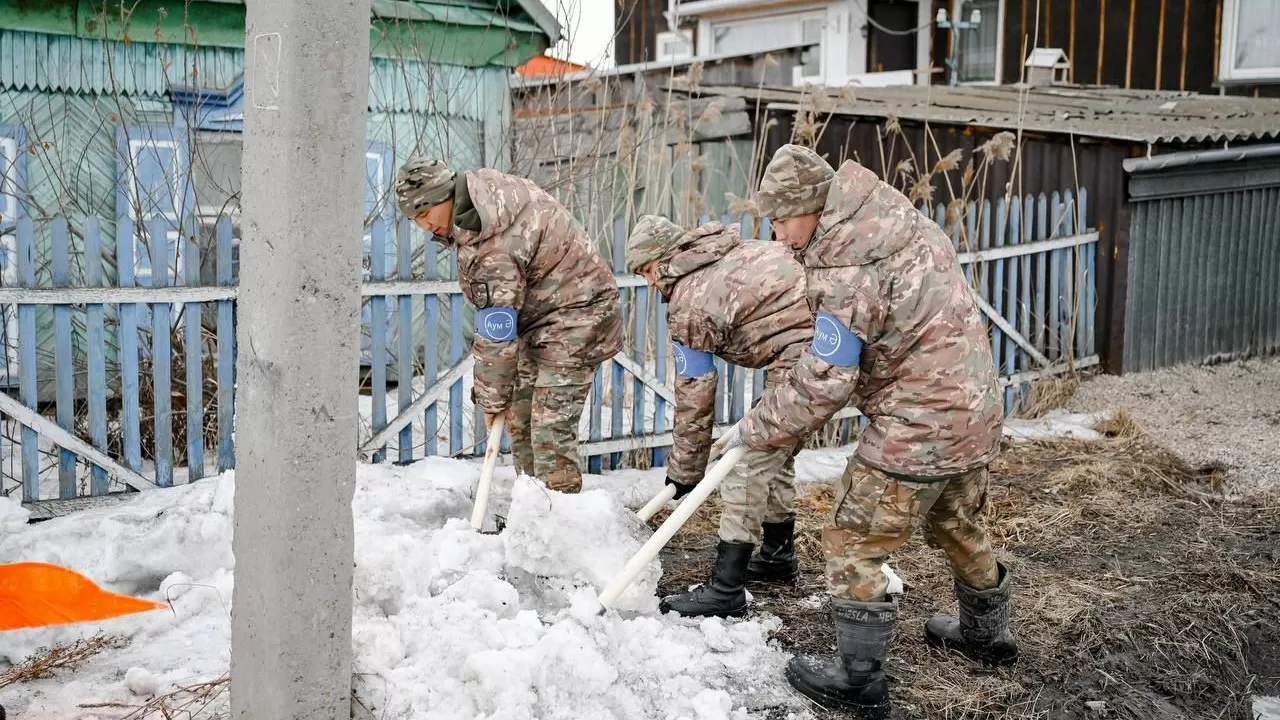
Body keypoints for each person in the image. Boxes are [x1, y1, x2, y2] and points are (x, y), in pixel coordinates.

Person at [709, 145, 1017, 719]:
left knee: (853, 543)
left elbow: (827, 380)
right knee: (955, 521)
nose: (777, 236)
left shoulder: (846, 266)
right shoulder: (903, 224)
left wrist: (756, 428)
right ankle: (987, 635)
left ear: (809, 207)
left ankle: (858, 680)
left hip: (916, 422)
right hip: (973, 409)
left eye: (780, 219)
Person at [393, 157, 623, 494]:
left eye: (426, 215)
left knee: (548, 433)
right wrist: (502, 398)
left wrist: (491, 400)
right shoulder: (479, 201)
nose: (425, 227)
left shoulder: (491, 239)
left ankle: (558, 525)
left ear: (444, 196)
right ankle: (532, 511)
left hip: (579, 318)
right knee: (521, 417)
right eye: (416, 221)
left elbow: (496, 330)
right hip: (542, 318)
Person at [625, 214, 813, 618]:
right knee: (772, 448)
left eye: (647, 271)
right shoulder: (731, 253)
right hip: (818, 342)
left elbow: (695, 395)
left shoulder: (689, 299)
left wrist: (686, 472)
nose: (648, 282)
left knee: (748, 458)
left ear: (664, 259)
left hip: (813, 356)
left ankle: (726, 588)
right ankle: (778, 554)